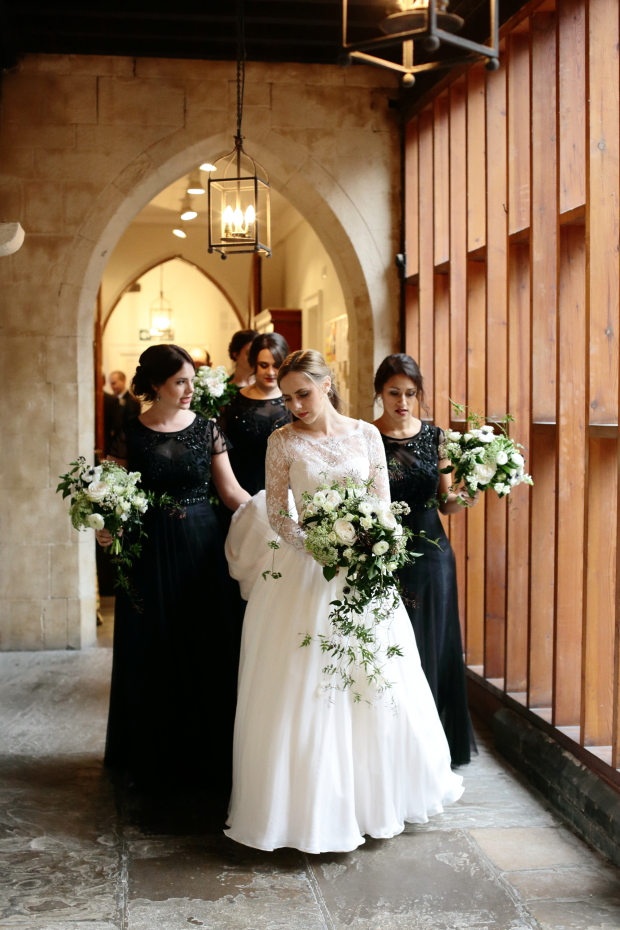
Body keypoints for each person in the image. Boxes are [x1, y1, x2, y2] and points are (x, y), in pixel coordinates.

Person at [224, 349, 463, 854]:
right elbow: (277, 513)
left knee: (375, 680)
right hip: (307, 573)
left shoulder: (366, 435)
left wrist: (370, 542)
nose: (295, 406)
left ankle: (374, 801)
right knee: (308, 686)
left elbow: (380, 503)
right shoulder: (282, 441)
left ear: (327, 384)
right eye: (287, 398)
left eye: (303, 394)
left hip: (365, 572)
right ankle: (310, 810)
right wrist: (319, 545)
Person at [97, 344, 250, 789]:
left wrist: (279, 519)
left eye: (192, 380)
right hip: (147, 552)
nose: (189, 389)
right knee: (151, 643)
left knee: (205, 639)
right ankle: (151, 749)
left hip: (202, 549)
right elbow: (110, 498)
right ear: (156, 386)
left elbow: (231, 493)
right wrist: (106, 527)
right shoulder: (129, 434)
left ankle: (206, 748)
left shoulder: (207, 430)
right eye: (180, 381)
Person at [373, 353, 477, 766]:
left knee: (429, 643)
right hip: (381, 550)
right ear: (379, 392)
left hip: (432, 552)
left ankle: (428, 746)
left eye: (410, 394)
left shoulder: (437, 437)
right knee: (389, 646)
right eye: (394, 392)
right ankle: (390, 741)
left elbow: (447, 503)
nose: (402, 401)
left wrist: (477, 485)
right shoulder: (365, 435)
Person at [219, 332, 292, 497]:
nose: (271, 372)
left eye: (276, 365)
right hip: (241, 489)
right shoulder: (232, 401)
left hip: (286, 491)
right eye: (264, 365)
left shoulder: (295, 401)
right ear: (254, 364)